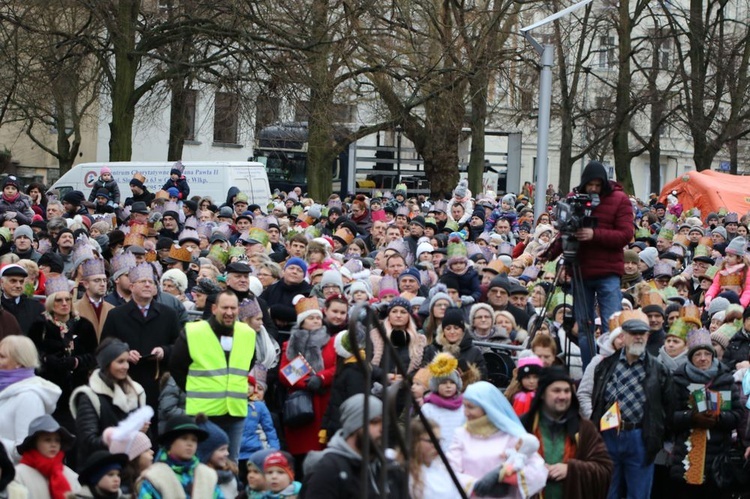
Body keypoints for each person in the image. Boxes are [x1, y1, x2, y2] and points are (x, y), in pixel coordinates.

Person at [543, 161, 634, 367]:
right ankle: (589, 371)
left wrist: (595, 234)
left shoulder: (619, 200)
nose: (593, 188)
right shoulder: (574, 200)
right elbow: (565, 231)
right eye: (590, 184)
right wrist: (549, 254)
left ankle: (612, 370)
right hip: (580, 271)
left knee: (614, 326)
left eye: (597, 184)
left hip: (608, 271)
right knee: (584, 327)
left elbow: (626, 234)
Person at [590, 310, 674, 499]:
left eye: (642, 333)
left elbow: (668, 406)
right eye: (633, 333)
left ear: (647, 336)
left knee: (638, 494)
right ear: (623, 336)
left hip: (640, 436)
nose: (638, 337)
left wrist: (660, 436)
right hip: (609, 433)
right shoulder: (605, 365)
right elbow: (597, 399)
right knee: (608, 491)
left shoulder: (659, 370)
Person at [170, 290, 256, 462]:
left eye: (233, 308)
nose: (229, 313)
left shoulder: (248, 333)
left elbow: (249, 364)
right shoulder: (194, 331)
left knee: (230, 465)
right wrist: (195, 389)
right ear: (215, 308)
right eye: (225, 308)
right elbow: (176, 367)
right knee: (202, 465)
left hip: (235, 411)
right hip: (204, 413)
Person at [101, 263, 181, 431]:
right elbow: (105, 347)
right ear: (131, 287)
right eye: (142, 281)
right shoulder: (116, 315)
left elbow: (179, 346)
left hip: (158, 382)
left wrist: (164, 351)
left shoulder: (168, 314)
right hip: (127, 381)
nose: (147, 285)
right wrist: (124, 353)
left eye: (151, 282)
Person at [669, 328, 742, 496]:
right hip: (686, 458)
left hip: (717, 461)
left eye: (707, 354)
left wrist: (719, 417)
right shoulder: (679, 381)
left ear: (713, 355)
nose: (703, 358)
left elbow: (737, 416)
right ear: (690, 358)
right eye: (697, 354)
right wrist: (691, 417)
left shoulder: (724, 380)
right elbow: (669, 418)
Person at [520, 367, 613, 499]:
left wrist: (571, 470)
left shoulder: (584, 429)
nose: (563, 396)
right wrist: (534, 468)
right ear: (542, 393)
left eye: (567, 391)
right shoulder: (524, 426)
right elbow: (504, 465)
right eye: (556, 391)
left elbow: (604, 469)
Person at [447, 381, 548, 499]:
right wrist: (476, 486)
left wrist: (506, 477)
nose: (465, 412)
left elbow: (539, 471)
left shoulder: (512, 435)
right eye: (465, 406)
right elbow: (449, 471)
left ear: (487, 407)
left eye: (471, 407)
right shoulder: (461, 434)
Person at [300, 394, 401, 498]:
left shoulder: (389, 466)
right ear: (354, 426)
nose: (382, 429)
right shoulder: (328, 470)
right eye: (374, 422)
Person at [278, 296, 336, 465]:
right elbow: (284, 373)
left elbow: (337, 368)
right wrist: (306, 382)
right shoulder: (291, 345)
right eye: (311, 318)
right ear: (302, 322)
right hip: (302, 404)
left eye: (318, 317)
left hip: (325, 401)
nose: (316, 321)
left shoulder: (332, 343)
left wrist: (321, 378)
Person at [70, 338, 147, 465]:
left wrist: (142, 431)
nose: (126, 366)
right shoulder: (89, 396)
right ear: (106, 363)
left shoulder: (136, 391)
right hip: (101, 470)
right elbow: (88, 442)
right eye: (120, 361)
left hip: (130, 469)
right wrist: (119, 436)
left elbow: (143, 439)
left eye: (127, 361)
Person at [0, 335, 61, 463]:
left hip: (15, 477)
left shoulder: (29, 397)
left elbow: (25, 449)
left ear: (19, 362)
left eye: (2, 357)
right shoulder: (5, 389)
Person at [136, 414, 222, 498]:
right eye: (184, 438)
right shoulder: (153, 477)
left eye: (194, 440)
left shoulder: (208, 475)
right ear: (170, 442)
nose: (190, 444)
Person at [14, 415, 81, 498]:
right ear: (34, 443)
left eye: (57, 440)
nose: (53, 444)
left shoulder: (69, 475)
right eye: (47, 440)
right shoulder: (18, 474)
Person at [408, 418, 475, 499]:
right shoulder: (406, 474)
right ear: (415, 441)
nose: (437, 446)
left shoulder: (440, 466)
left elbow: (460, 479)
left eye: (439, 441)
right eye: (431, 441)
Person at [420, 353, 465, 450]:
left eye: (452, 382)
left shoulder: (463, 406)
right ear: (436, 385)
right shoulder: (428, 408)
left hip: (458, 451)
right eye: (444, 383)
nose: (448, 386)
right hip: (435, 451)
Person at [196, 415, 240, 499]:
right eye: (222, 449)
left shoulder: (230, 472)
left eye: (227, 449)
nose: (227, 453)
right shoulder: (198, 479)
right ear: (206, 452)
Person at [0, 264, 44, 337]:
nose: (18, 285)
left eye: (21, 282)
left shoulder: (36, 307)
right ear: (1, 282)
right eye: (13, 281)